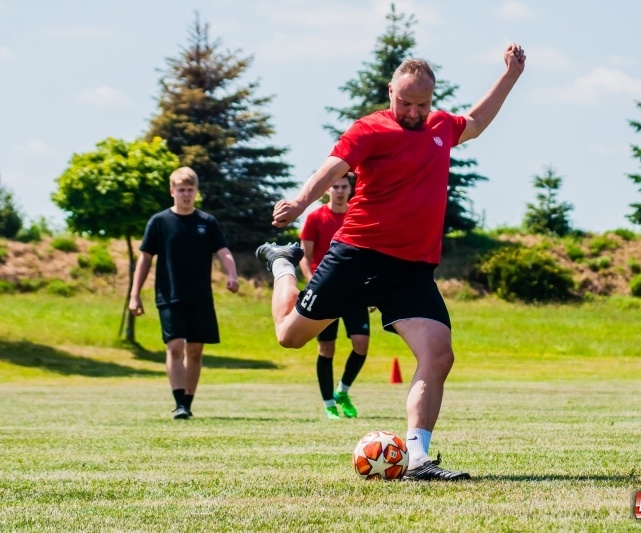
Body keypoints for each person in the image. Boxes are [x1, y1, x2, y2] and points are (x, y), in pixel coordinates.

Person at [257, 44, 526, 480]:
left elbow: (476, 123)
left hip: (411, 269)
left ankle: (418, 458)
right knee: (290, 336)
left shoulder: (441, 127)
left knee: (438, 354)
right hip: (358, 255)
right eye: (405, 103)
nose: (414, 113)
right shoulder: (370, 129)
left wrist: (510, 75)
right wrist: (302, 203)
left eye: (422, 104)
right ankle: (283, 264)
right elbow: (333, 168)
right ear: (390, 92)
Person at [129, 166, 240, 420]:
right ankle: (179, 403)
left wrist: (232, 275)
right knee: (175, 345)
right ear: (172, 191)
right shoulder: (159, 222)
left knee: (195, 350)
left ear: (196, 191)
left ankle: (187, 403)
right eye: (181, 190)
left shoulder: (207, 222)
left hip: (200, 296)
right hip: (169, 294)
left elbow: (223, 251)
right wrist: (135, 294)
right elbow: (145, 259)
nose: (186, 194)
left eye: (190, 190)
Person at [299, 173, 370, 420]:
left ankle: (342, 391)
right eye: (335, 187)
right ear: (328, 190)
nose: (339, 191)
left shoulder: (358, 215)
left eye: (343, 187)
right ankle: (329, 405)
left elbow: (368, 254)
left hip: (354, 291)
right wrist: (313, 285)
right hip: (325, 291)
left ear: (350, 189)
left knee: (361, 344)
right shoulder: (315, 218)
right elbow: (305, 257)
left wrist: (371, 288)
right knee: (326, 348)